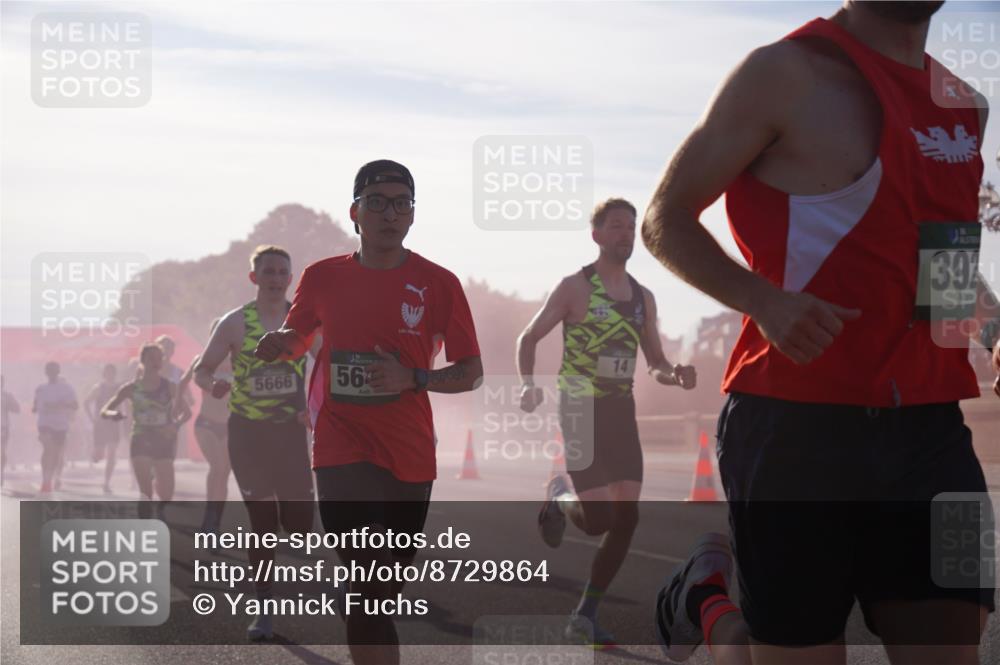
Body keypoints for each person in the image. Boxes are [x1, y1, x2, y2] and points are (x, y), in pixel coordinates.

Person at [642, 2, 993, 664]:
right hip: (794, 429)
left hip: (929, 433)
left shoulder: (966, 106)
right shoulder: (783, 73)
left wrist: (994, 329)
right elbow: (665, 217)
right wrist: (762, 301)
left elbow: (943, 258)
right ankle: (706, 602)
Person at [255, 159, 483, 665]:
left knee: (383, 591)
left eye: (401, 203)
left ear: (412, 215)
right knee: (367, 582)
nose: (390, 213)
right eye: (377, 202)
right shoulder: (322, 277)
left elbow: (471, 372)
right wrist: (279, 344)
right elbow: (298, 338)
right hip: (341, 446)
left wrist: (414, 378)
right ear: (355, 212)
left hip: (409, 453)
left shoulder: (439, 283)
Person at [516, 197, 697, 648]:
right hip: (579, 408)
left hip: (620, 411)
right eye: (616, 226)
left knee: (626, 518)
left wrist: (674, 374)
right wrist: (527, 384)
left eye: (631, 227)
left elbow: (655, 361)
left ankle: (584, 616)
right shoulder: (575, 287)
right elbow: (529, 337)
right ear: (596, 235)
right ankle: (559, 498)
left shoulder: (643, 297)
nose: (625, 234)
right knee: (598, 520)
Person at [194, 244, 318, 642]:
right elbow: (202, 369)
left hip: (290, 433)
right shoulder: (234, 322)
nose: (276, 278)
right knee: (262, 524)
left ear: (291, 278)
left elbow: (328, 363)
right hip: (248, 433)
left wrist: (314, 406)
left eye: (283, 272)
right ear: (254, 277)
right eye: (269, 271)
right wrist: (212, 383)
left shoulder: (301, 321)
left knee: (299, 526)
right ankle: (264, 609)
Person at [101, 343, 190, 516]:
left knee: (167, 494)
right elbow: (104, 410)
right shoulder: (131, 388)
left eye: (159, 358)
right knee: (145, 493)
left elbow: (187, 413)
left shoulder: (170, 386)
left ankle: (161, 513)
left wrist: (175, 425)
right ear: (143, 361)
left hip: (164, 441)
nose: (156, 362)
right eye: (151, 358)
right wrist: (113, 414)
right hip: (140, 438)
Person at [177, 319, 233, 534]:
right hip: (206, 423)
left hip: (230, 424)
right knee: (217, 467)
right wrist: (180, 406)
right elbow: (181, 384)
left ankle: (214, 521)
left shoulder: (239, 360)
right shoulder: (202, 360)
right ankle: (210, 520)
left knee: (224, 473)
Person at [32, 361, 78, 494]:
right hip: (44, 423)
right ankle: (45, 480)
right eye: (49, 370)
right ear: (46, 372)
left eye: (54, 370)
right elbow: (35, 406)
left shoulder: (67, 388)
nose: (51, 373)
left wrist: (60, 405)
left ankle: (50, 478)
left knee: (57, 454)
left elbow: (75, 405)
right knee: (48, 448)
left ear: (58, 372)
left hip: (60, 424)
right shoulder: (40, 388)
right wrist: (37, 407)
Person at [83, 364, 123, 494]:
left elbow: (124, 404)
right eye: (108, 372)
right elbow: (86, 402)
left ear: (115, 373)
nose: (110, 374)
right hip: (100, 424)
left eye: (112, 372)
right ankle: (94, 455)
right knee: (98, 456)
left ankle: (106, 482)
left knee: (112, 455)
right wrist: (92, 418)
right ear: (104, 374)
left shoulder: (119, 388)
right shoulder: (99, 388)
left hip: (113, 424)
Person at [1, 375, 21, 487]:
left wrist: (10, 404)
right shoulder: (6, 396)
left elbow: (17, 409)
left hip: (2, 427)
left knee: (2, 451)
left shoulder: (7, 396)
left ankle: (1, 472)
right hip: (3, 427)